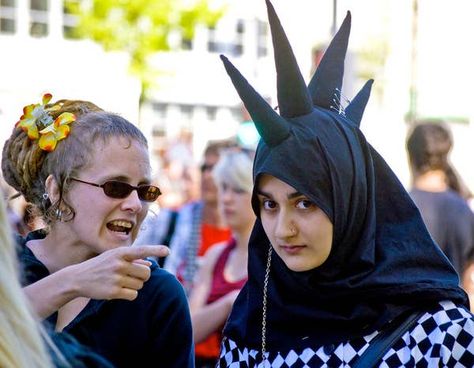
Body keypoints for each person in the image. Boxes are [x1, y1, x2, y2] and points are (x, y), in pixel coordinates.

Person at [217, 1, 474, 366]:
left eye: (304, 202)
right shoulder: (250, 329)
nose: (282, 229)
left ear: (350, 201)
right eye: (269, 205)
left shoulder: (441, 336)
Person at [1, 94, 194, 367]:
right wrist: (72, 282)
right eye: (115, 187)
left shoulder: (156, 293)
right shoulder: (6, 265)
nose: (135, 204)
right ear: (56, 190)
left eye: (144, 190)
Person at [189, 149, 255, 367]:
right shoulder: (216, 255)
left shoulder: (276, 259)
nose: (226, 198)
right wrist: (229, 303)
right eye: (223, 187)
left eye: (238, 189)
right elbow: (187, 331)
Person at [164, 139, 235, 294]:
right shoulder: (172, 219)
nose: (207, 175)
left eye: (216, 168)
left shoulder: (246, 230)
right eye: (204, 168)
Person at [406, 121, 474, 276]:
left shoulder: (400, 207)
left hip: (408, 299)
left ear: (411, 156)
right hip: (454, 298)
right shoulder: (463, 209)